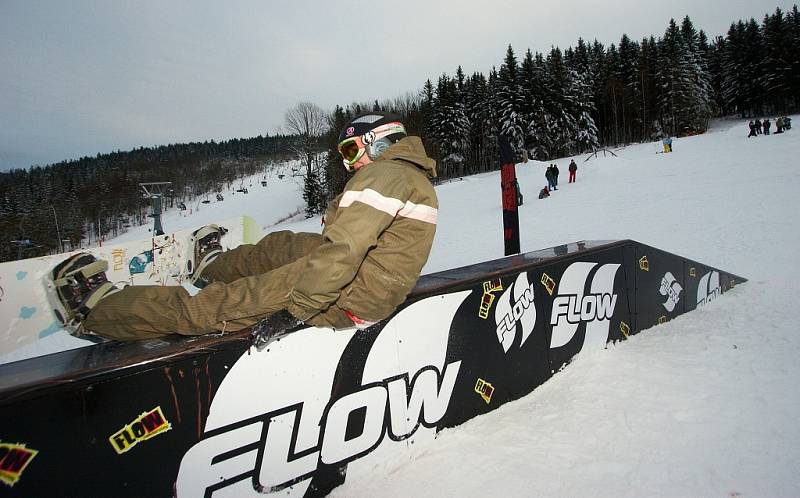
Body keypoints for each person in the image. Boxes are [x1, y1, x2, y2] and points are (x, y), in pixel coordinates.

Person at [49, 112, 439, 342]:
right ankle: (214, 266)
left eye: (352, 152)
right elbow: (350, 239)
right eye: (343, 155)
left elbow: (345, 251)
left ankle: (97, 311)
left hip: (345, 294)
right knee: (282, 246)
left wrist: (297, 310)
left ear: (380, 143)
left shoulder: (383, 177)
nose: (348, 163)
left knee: (220, 306)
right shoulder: (408, 178)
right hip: (365, 285)